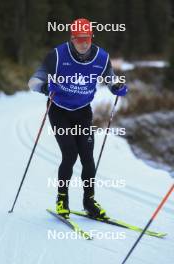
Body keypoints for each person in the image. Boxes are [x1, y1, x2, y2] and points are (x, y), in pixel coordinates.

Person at [28, 18, 128, 219]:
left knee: (88, 158)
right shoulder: (57, 55)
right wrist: (46, 88)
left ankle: (89, 202)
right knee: (70, 155)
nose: (84, 43)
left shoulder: (101, 57)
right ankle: (62, 199)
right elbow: (33, 82)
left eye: (88, 38)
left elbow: (110, 78)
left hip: (82, 112)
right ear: (72, 38)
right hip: (60, 111)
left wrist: (116, 86)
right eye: (79, 38)